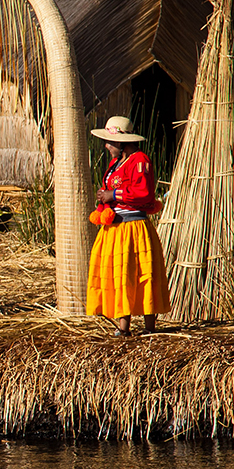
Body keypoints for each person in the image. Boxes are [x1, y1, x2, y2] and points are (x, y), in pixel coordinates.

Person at [85, 116, 169, 335]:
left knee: (142, 273)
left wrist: (112, 194)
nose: (106, 145)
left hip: (133, 228)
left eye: (109, 141)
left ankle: (149, 327)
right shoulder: (117, 162)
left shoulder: (140, 160)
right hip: (115, 228)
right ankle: (124, 328)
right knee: (121, 274)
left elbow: (143, 193)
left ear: (122, 142)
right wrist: (103, 198)